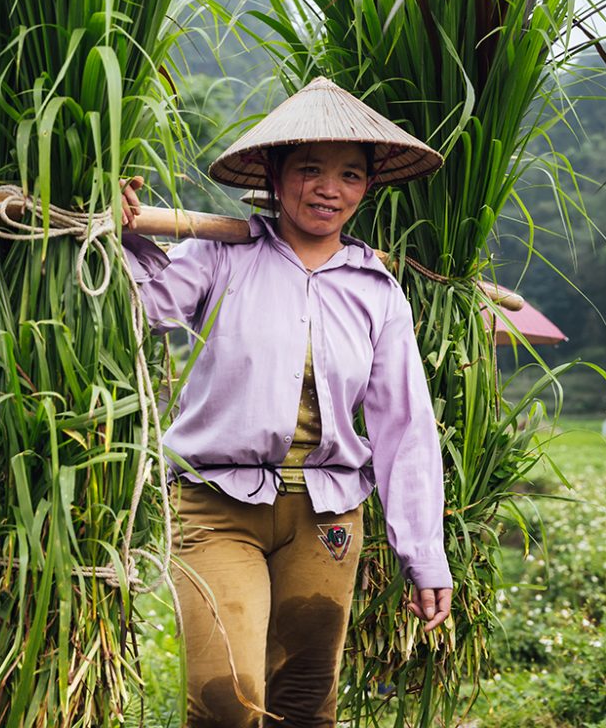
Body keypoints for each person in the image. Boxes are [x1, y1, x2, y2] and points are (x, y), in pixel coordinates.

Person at [120, 77, 453, 728]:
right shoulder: (220, 253)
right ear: (273, 174)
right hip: (216, 508)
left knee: (303, 703)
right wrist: (120, 234)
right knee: (227, 700)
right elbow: (141, 309)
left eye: (350, 175)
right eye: (309, 168)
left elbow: (404, 428)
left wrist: (423, 554)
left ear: (366, 187)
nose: (329, 189)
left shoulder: (376, 291)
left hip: (326, 518)